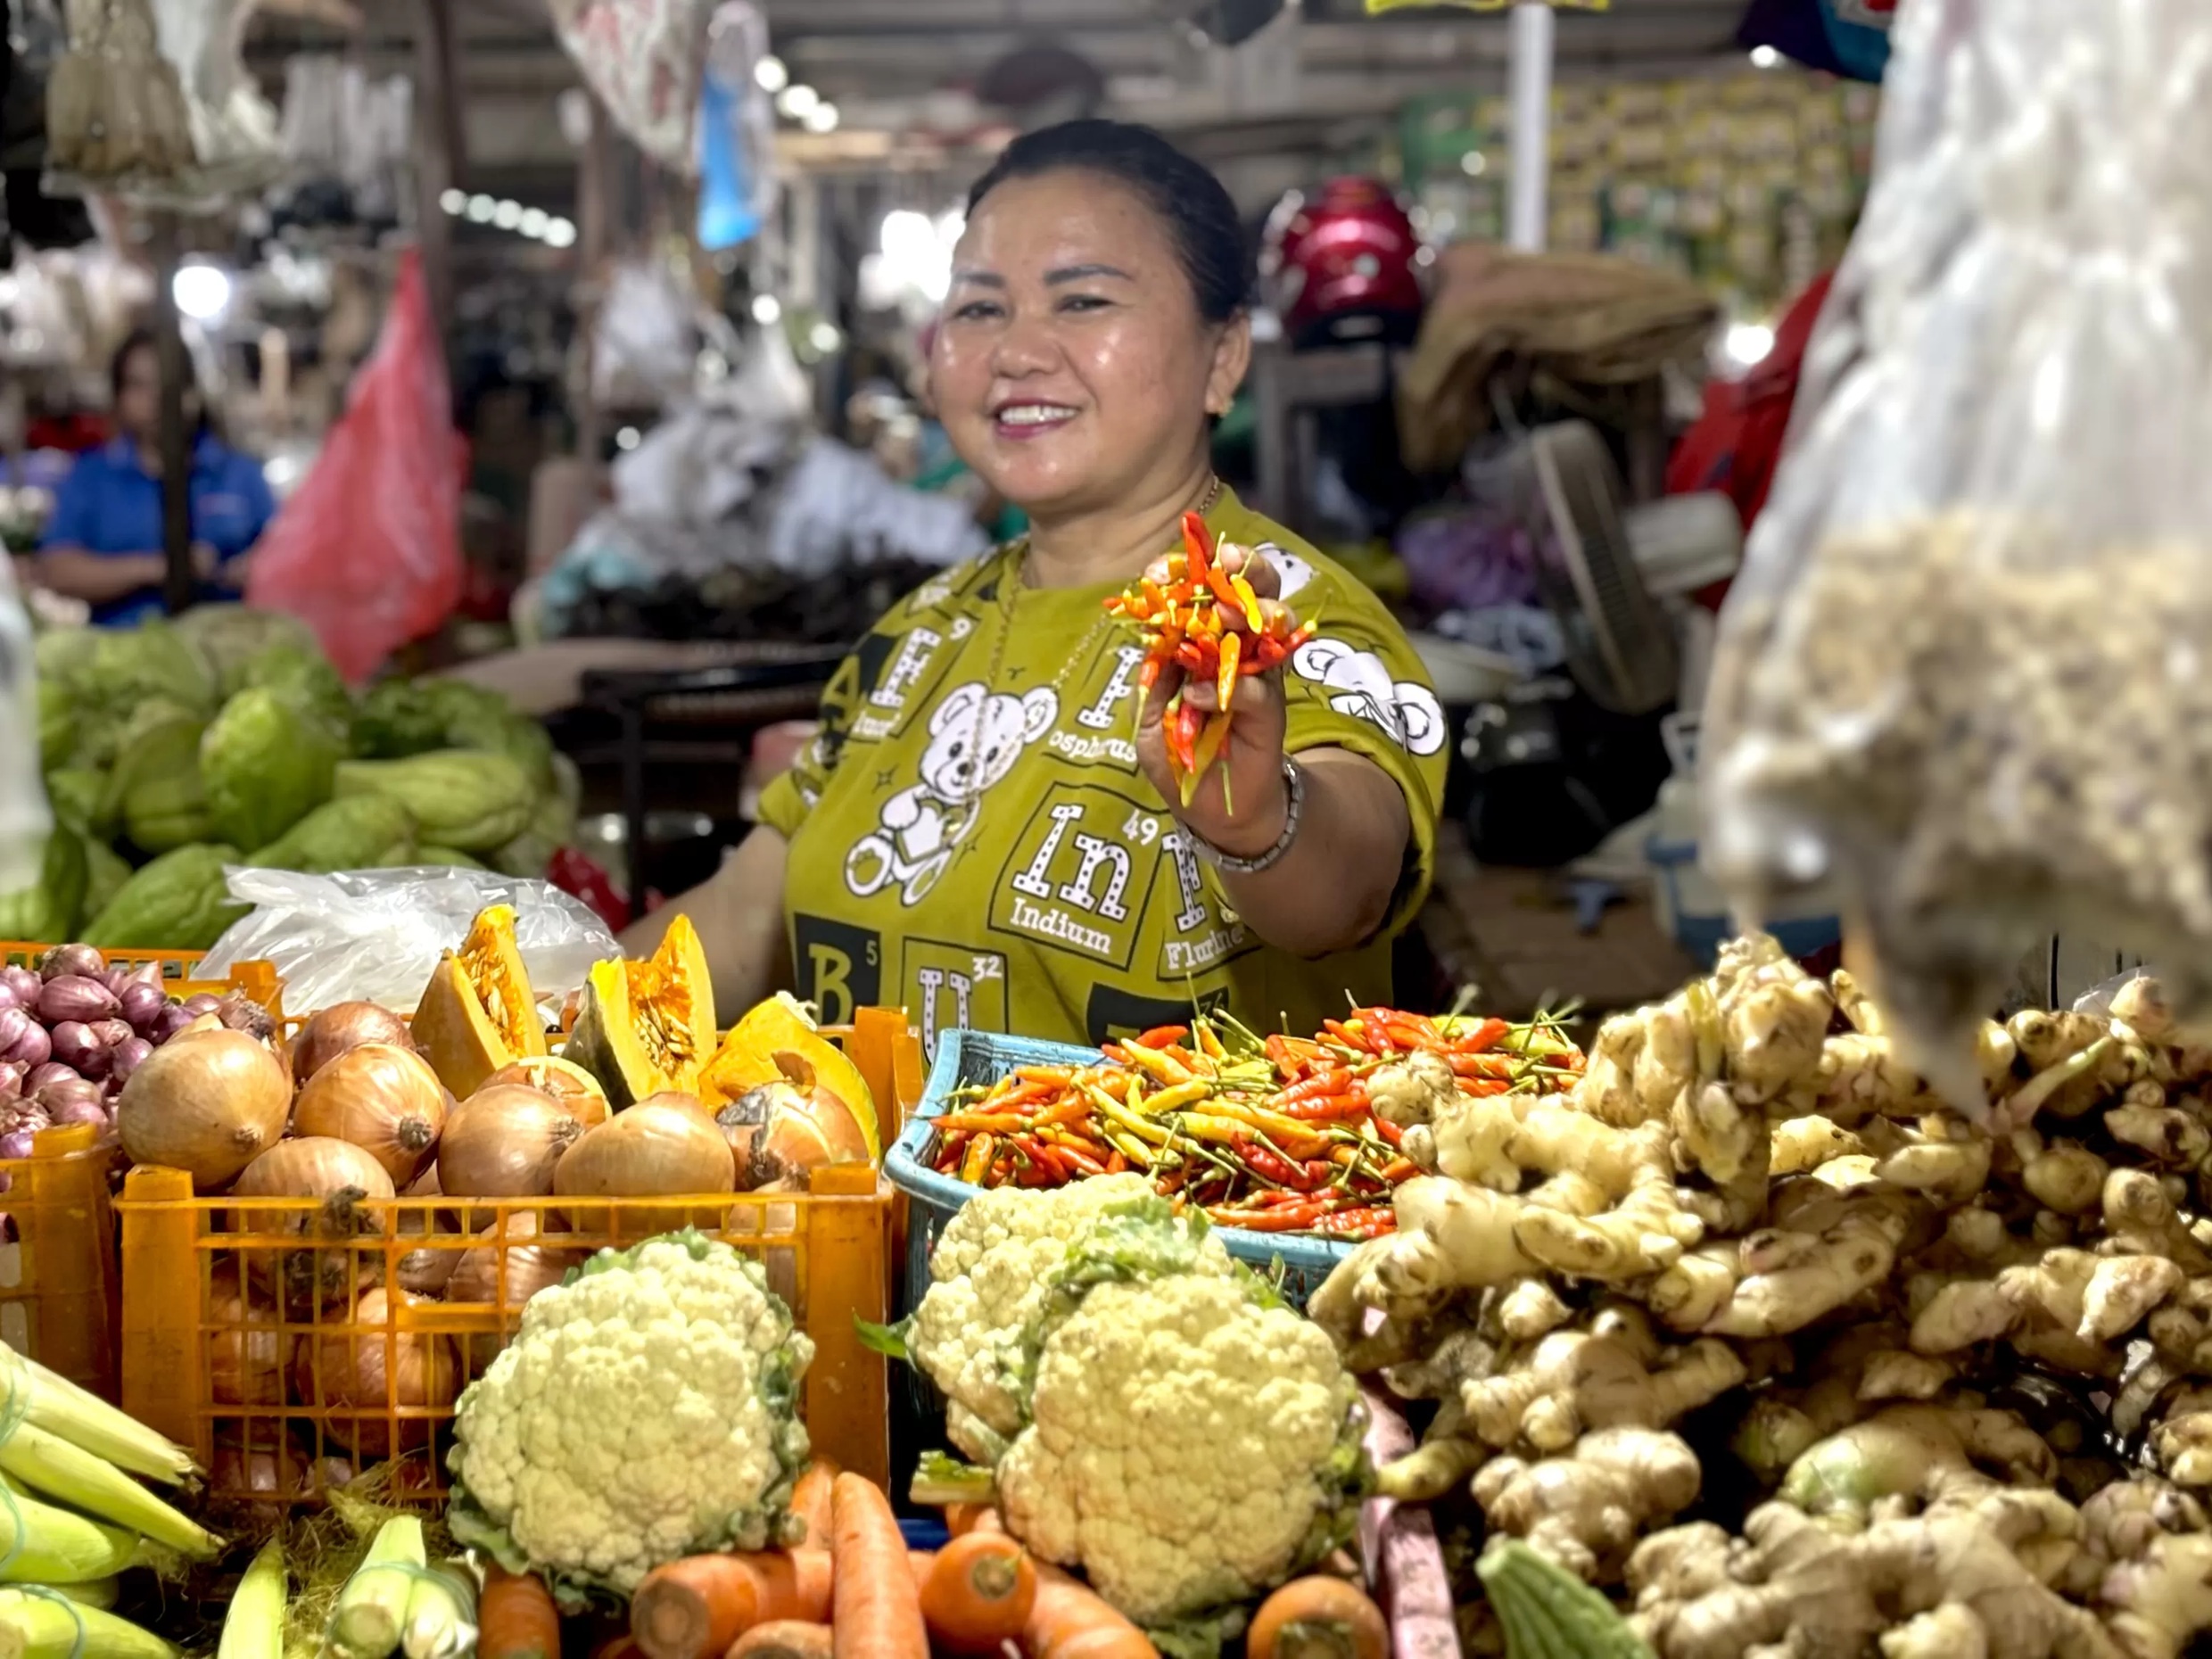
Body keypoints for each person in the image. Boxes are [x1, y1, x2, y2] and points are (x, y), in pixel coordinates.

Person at [623, 119, 1448, 1056]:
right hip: (875, 1201)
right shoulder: (920, 633)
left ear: (1222, 358)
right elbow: (739, 921)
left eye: (1083, 301)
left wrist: (1261, 820)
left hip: (1161, 1204)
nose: (1017, 352)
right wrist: (532, 1022)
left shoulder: (1280, 617)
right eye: (979, 309)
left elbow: (1348, 889)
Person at [34, 329, 276, 627]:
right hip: (122, 657)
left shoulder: (239, 473)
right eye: (139, 385)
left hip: (229, 650)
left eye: (167, 383)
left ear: (192, 392)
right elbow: (58, 571)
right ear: (119, 396)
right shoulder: (90, 477)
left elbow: (288, 552)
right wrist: (161, 567)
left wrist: (254, 567)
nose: (156, 398)